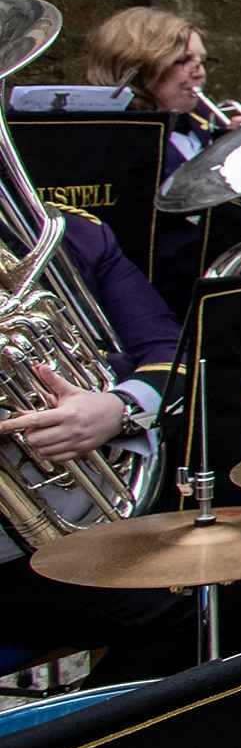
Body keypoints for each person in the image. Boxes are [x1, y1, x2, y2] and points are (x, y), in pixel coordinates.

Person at [0, 202, 195, 684]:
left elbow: (169, 353)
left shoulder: (72, 236)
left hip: (69, 536)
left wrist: (116, 410)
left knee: (207, 604)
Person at [82, 5, 224, 314]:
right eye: (183, 60)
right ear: (140, 64)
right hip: (152, 296)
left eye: (202, 60)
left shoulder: (204, 128)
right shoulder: (116, 140)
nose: (199, 71)